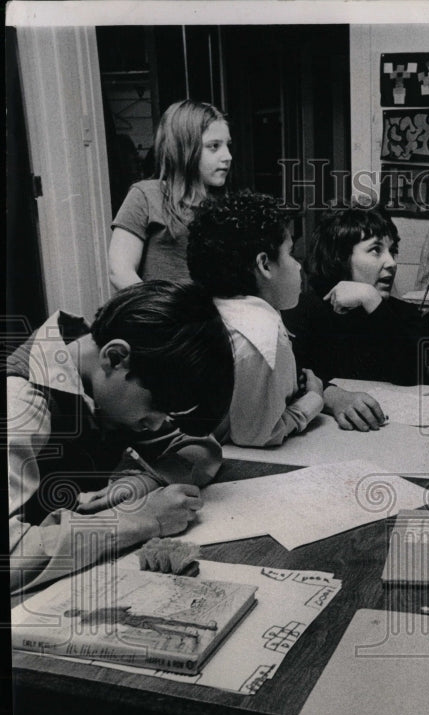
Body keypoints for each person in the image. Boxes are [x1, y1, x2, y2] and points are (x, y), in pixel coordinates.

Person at [7, 281, 235, 594]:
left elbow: (201, 449)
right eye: (156, 407)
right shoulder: (19, 405)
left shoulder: (105, 376)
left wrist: (144, 482)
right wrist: (138, 518)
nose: (156, 426)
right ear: (115, 357)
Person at [187, 190, 324, 447]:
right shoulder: (264, 332)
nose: (298, 266)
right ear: (264, 265)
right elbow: (259, 434)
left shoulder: (212, 309)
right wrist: (314, 399)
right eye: (290, 253)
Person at [282, 203, 422, 431]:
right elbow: (289, 376)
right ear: (340, 257)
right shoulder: (305, 309)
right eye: (376, 250)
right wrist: (334, 397)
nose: (392, 263)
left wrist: (371, 299)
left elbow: (411, 374)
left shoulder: (402, 313)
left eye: (392, 251)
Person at [108, 100, 232, 289]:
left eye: (227, 145)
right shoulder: (146, 196)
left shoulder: (224, 206)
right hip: (161, 314)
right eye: (214, 146)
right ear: (184, 149)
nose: (227, 156)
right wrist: (160, 314)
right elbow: (120, 272)